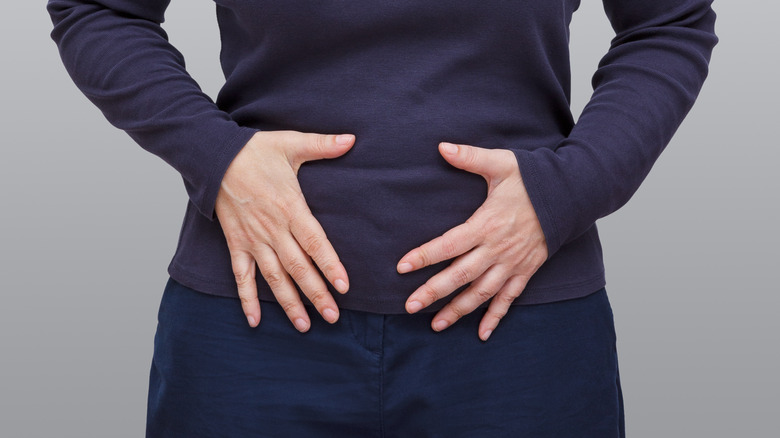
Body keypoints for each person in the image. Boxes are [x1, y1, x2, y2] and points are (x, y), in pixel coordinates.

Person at [47, 0, 717, 436]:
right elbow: (100, 8)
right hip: (254, 323)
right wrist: (218, 157)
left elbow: (669, 21)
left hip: (521, 329)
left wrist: (571, 187)